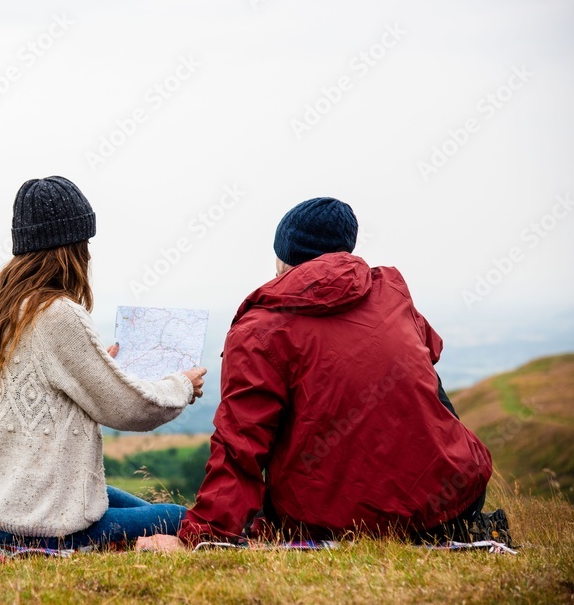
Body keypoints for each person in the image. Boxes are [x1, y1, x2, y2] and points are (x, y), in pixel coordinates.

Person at [138, 197, 507, 552]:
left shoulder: (259, 329)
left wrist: (199, 536)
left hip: (331, 523)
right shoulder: (391, 291)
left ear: (283, 257)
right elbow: (430, 355)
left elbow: (240, 446)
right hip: (453, 504)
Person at [0, 175, 206, 549]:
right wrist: (182, 386)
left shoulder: (0, 314)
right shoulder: (56, 314)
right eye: (85, 243)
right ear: (71, 247)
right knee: (184, 520)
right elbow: (129, 410)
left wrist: (95, 368)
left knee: (133, 506)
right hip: (43, 526)